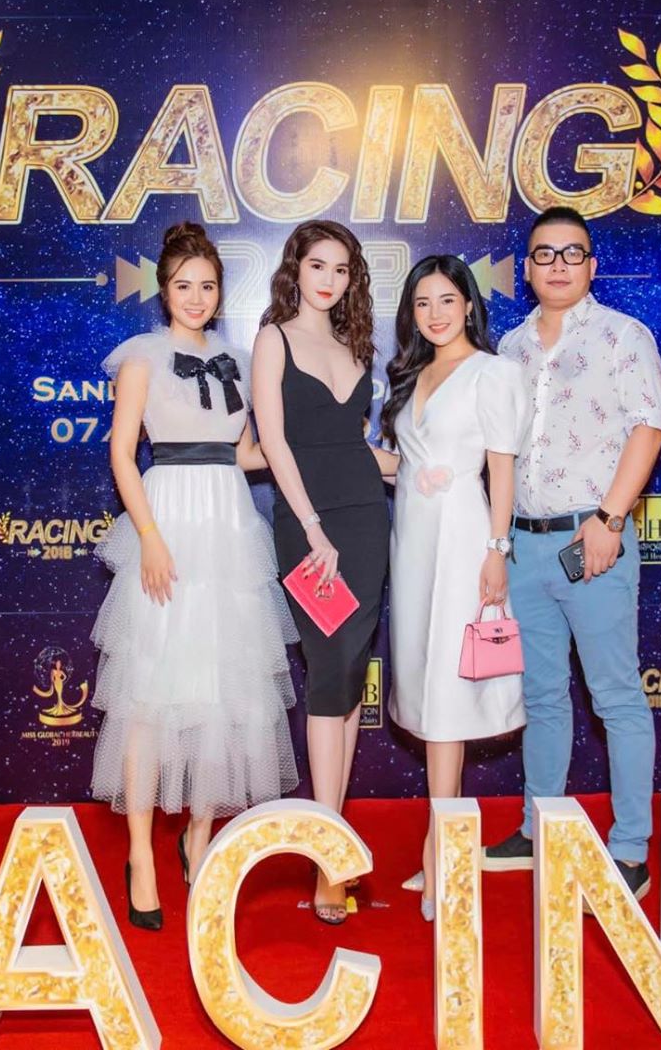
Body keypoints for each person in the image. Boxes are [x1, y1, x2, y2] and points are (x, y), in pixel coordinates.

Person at [90, 222, 298, 932]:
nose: (197, 297)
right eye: (184, 285)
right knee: (149, 692)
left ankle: (199, 836)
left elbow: (243, 454)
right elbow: (123, 455)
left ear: (220, 292)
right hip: (169, 524)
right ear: (164, 291)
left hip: (229, 525)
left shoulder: (240, 359)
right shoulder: (141, 357)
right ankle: (140, 855)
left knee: (221, 688)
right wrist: (150, 538)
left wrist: (313, 450)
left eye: (208, 286)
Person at [483, 206, 661, 900]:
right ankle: (539, 829)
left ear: (592, 266)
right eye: (544, 254)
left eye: (572, 253)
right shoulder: (508, 348)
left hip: (592, 542)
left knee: (616, 697)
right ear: (527, 269)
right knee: (542, 698)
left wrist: (610, 518)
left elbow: (648, 428)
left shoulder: (624, 335)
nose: (558, 265)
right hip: (525, 547)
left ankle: (630, 850)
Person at [373, 254, 528, 921]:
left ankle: (443, 852)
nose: (435, 314)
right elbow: (406, 464)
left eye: (446, 300)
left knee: (448, 692)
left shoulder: (494, 372)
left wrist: (497, 551)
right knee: (424, 680)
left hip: (465, 537)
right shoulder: (412, 375)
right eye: (422, 303)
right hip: (413, 541)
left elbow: (502, 468)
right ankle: (441, 844)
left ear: (468, 304)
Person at [252, 219, 390, 925]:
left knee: (350, 673)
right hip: (309, 528)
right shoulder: (273, 339)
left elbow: (356, 446)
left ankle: (332, 838)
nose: (329, 280)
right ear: (296, 269)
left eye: (341, 269)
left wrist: (431, 468)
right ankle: (325, 852)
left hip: (366, 520)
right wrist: (311, 528)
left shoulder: (355, 344)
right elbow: (274, 443)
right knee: (328, 667)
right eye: (317, 266)